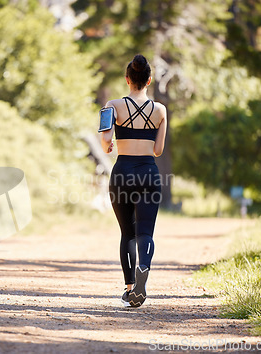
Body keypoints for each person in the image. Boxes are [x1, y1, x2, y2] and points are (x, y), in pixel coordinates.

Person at [100, 54, 167, 307]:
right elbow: (158, 150)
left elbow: (106, 139)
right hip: (148, 173)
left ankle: (130, 289)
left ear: (127, 79)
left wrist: (109, 146)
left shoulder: (112, 105)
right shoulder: (160, 110)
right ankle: (144, 268)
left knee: (127, 233)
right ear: (149, 80)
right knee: (145, 232)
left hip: (123, 172)